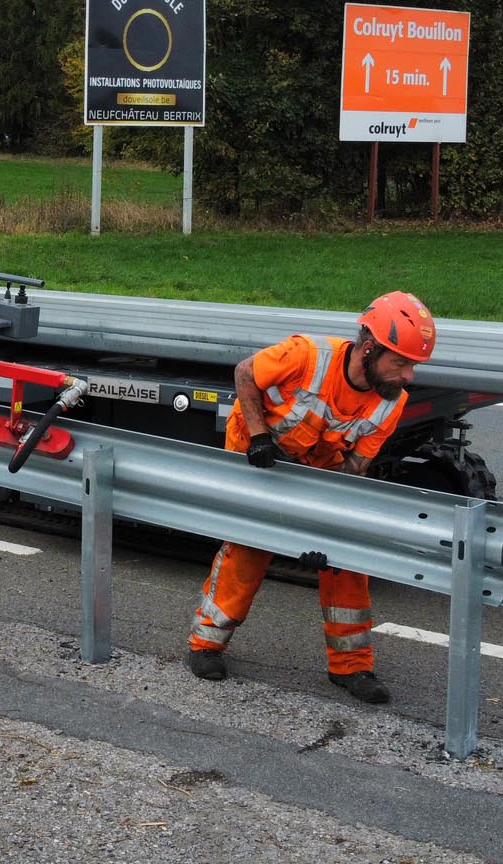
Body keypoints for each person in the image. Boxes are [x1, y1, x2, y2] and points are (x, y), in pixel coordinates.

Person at [184, 291, 437, 704]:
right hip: (258, 461)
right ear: (369, 349)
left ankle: (352, 667)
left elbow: (354, 470)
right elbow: (245, 373)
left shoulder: (391, 404)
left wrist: (322, 532)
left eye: (413, 365)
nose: (408, 375)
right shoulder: (306, 356)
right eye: (401, 362)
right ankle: (206, 646)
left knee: (346, 560)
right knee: (247, 550)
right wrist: (260, 437)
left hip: (318, 476)